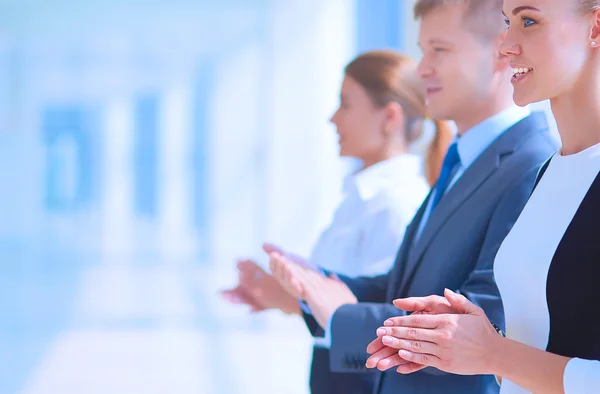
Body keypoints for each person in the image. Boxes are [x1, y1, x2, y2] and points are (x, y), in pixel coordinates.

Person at [268, 1, 559, 393]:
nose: (422, 68)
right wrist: (314, 287)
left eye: (439, 50)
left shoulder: (532, 164)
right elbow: (406, 288)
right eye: (423, 51)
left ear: (499, 52)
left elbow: (481, 323)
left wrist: (341, 316)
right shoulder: (465, 160)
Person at [365, 0, 600, 393]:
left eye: (528, 21)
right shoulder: (550, 171)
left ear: (595, 27)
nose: (506, 44)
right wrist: (466, 335)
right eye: (508, 23)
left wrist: (493, 353)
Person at [221, 50, 453, 394]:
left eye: (345, 104)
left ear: (389, 117)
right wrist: (285, 293)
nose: (333, 119)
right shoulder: (362, 199)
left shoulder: (395, 205)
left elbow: (382, 324)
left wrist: (287, 298)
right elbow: (347, 305)